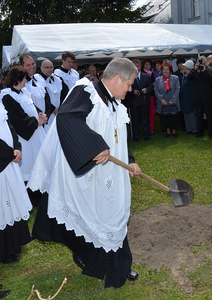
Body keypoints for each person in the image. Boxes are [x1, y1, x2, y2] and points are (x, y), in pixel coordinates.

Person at [27, 57, 141, 288]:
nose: (131, 89)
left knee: (113, 217)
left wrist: (130, 161)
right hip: (88, 175)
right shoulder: (85, 90)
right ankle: (99, 261)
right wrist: (94, 147)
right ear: (117, 78)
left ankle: (116, 266)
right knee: (95, 218)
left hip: (111, 175)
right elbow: (68, 118)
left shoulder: (116, 105)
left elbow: (117, 139)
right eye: (129, 84)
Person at [0, 66, 47, 206]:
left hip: (35, 135)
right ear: (18, 79)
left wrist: (40, 114)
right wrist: (36, 122)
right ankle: (29, 198)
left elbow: (32, 107)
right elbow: (16, 119)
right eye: (25, 78)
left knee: (38, 162)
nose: (27, 81)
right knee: (27, 166)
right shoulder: (8, 96)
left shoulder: (24, 93)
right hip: (25, 138)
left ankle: (40, 194)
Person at [0, 102, 32, 265]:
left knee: (11, 204)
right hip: (3, 161)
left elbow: (9, 127)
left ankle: (12, 246)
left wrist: (17, 147)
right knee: (3, 210)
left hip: (9, 161)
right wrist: (8, 153)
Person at [19, 53, 53, 128]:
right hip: (33, 123)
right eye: (28, 65)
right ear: (22, 67)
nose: (32, 67)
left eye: (33, 64)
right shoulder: (20, 84)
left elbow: (47, 99)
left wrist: (46, 116)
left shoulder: (39, 78)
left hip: (44, 122)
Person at [187, 55, 212, 139]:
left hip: (207, 98)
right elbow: (189, 78)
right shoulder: (196, 71)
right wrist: (194, 69)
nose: (201, 64)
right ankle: (199, 132)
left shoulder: (210, 70)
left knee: (209, 116)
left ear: (206, 62)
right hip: (198, 98)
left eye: (203, 62)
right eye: (200, 62)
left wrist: (204, 71)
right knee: (199, 116)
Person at [126, 59, 153, 141]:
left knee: (145, 120)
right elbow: (126, 89)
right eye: (134, 66)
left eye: (138, 66)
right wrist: (132, 91)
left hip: (144, 101)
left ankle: (146, 136)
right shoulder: (129, 77)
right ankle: (136, 137)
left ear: (140, 67)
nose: (136, 68)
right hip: (134, 102)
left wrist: (146, 90)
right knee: (135, 120)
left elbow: (151, 87)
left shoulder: (146, 76)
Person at [154, 62, 181, 138]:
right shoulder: (158, 80)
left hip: (173, 101)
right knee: (164, 118)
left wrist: (173, 100)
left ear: (170, 70)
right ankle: (168, 132)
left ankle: (174, 132)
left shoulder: (175, 78)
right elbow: (156, 90)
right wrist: (161, 99)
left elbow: (177, 89)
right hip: (162, 102)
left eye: (167, 69)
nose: (165, 71)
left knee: (174, 117)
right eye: (164, 69)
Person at [35, 60, 63, 129]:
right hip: (47, 112)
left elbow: (61, 94)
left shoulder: (56, 79)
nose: (49, 69)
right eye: (47, 67)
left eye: (51, 67)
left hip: (57, 112)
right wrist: (53, 108)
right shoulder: (38, 80)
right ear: (41, 68)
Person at [181, 60, 197, 134]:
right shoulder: (185, 76)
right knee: (186, 113)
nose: (182, 67)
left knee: (191, 114)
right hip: (184, 98)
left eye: (184, 66)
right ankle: (189, 129)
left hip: (190, 97)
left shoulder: (191, 77)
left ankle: (194, 129)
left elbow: (194, 88)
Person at [141, 58, 156, 135]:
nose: (147, 66)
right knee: (146, 114)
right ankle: (146, 129)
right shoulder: (141, 73)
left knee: (153, 113)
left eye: (149, 64)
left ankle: (151, 129)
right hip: (144, 96)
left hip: (152, 96)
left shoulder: (153, 74)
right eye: (146, 64)